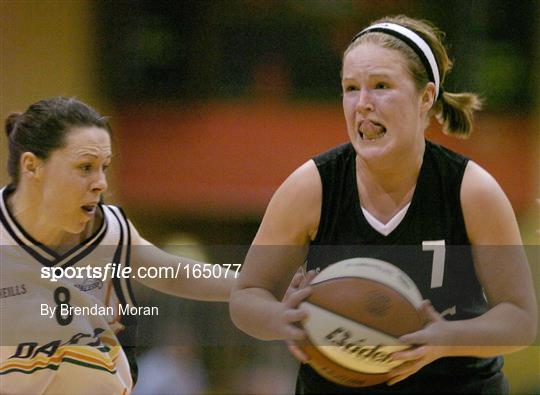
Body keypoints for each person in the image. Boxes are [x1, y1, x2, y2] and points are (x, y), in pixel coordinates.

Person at [230, 15, 537, 394]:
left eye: (381, 86)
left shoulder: (471, 191)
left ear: (425, 98)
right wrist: (281, 318)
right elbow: (246, 297)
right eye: (350, 88)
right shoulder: (312, 187)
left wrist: (445, 340)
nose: (363, 104)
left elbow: (521, 320)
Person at [0, 97, 238, 394]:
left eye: (105, 167)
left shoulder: (111, 230)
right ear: (32, 166)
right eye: (85, 167)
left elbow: (173, 273)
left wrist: (258, 285)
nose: (101, 183)